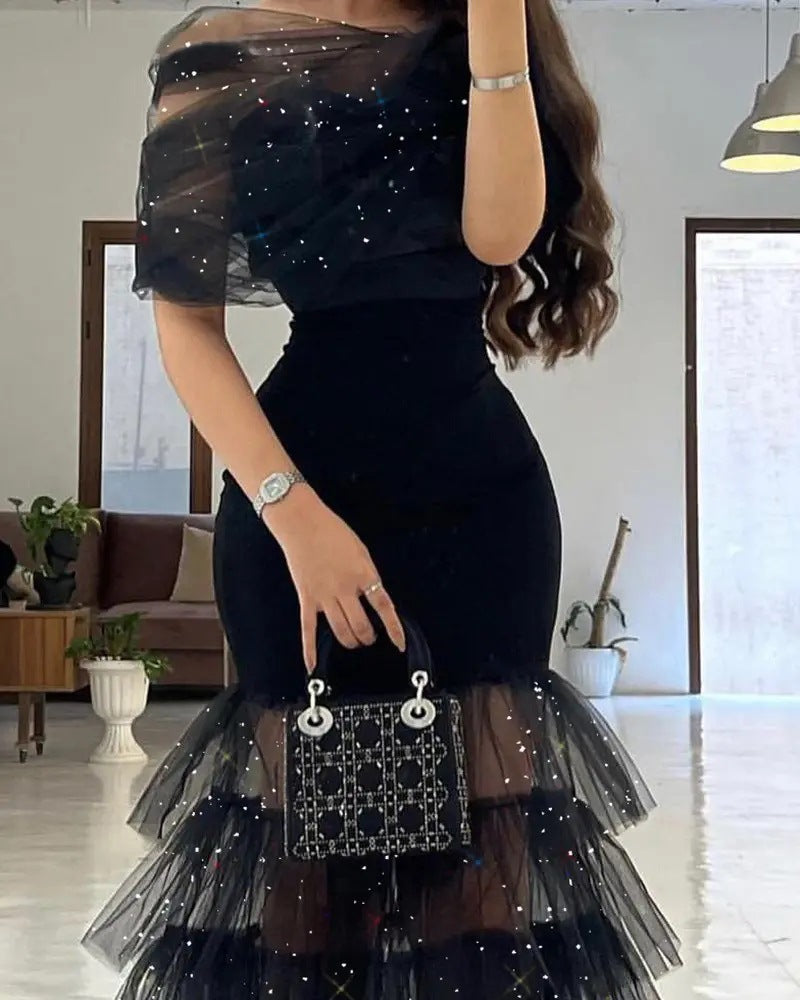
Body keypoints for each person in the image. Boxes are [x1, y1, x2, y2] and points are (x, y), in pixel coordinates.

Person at [82, 1, 682, 998]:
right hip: (295, 497)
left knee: (483, 876)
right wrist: (295, 516)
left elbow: (498, 236)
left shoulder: (477, 31)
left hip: (480, 506)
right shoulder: (214, 56)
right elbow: (186, 327)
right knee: (309, 877)